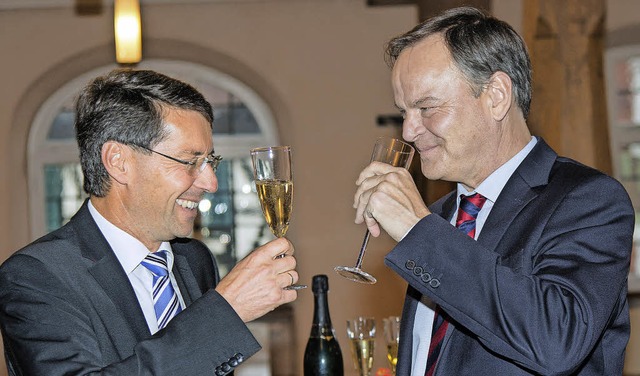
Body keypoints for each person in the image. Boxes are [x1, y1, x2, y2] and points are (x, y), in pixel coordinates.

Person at [353, 6, 634, 376]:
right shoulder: (439, 218)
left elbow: (556, 341)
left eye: (426, 107)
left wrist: (417, 230)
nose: (408, 131)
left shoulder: (587, 200)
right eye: (404, 111)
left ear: (497, 95)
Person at [0, 69, 300, 375]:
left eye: (210, 161)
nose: (210, 182)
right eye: (190, 162)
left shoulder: (194, 260)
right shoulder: (37, 277)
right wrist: (226, 312)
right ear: (119, 162)